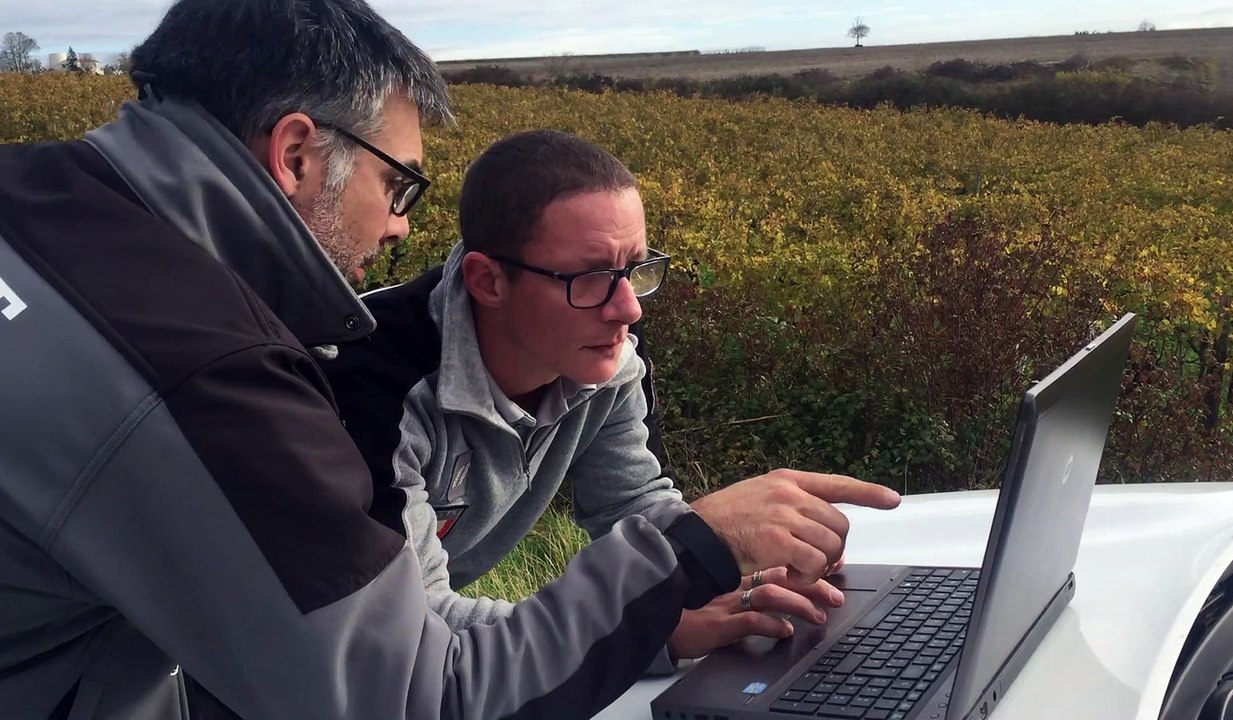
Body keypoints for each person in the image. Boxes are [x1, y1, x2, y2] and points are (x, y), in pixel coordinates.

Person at [0, 2, 901, 720]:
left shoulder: (34, 202)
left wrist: (696, 589)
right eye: (399, 184)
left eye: (636, 273)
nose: (399, 226)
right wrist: (691, 554)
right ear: (298, 153)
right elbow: (420, 694)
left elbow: (630, 507)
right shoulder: (223, 379)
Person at [324, 129, 876, 674]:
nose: (628, 308)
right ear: (488, 282)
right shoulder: (366, 391)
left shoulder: (605, 362)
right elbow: (419, 638)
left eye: (635, 269)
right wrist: (643, 632)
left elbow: (631, 504)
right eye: (590, 278)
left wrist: (727, 569)